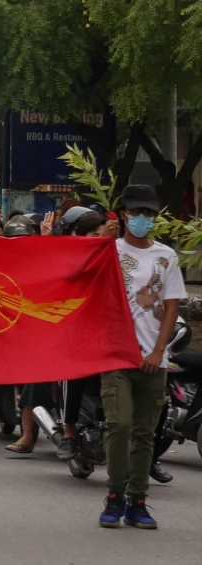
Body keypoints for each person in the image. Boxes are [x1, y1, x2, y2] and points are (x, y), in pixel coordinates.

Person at [98, 185, 184, 530]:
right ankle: (114, 497)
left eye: (148, 214)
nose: (142, 220)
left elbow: (173, 305)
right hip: (115, 356)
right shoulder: (107, 251)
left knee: (145, 433)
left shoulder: (167, 257)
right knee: (119, 426)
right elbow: (78, 271)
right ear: (124, 215)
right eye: (137, 213)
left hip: (153, 359)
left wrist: (158, 351)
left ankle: (138, 501)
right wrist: (103, 238)